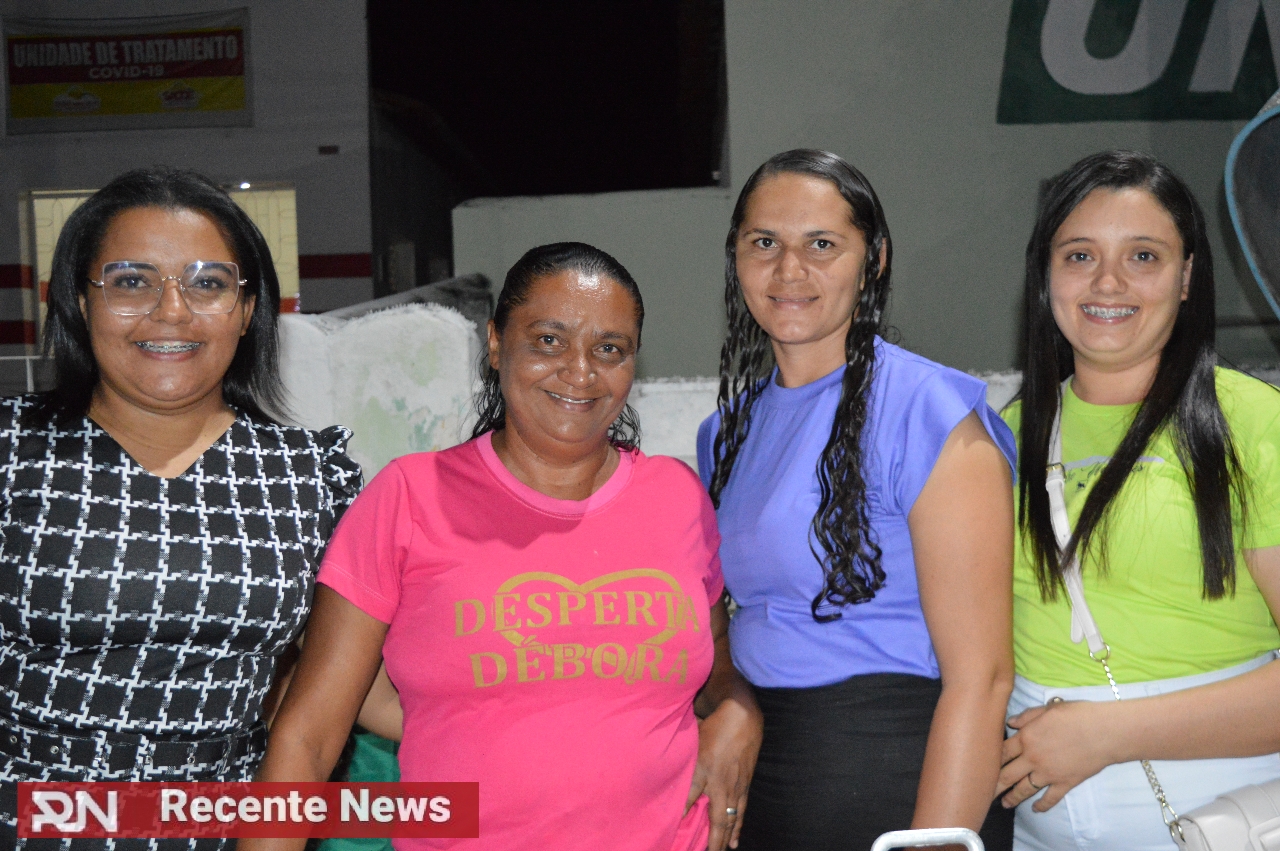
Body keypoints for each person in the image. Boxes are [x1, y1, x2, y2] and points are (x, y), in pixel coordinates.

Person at [249, 242, 762, 851]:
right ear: (495, 343)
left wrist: (739, 710)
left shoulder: (676, 497)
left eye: (610, 349)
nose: (580, 371)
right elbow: (308, 736)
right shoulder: (410, 497)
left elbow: (715, 662)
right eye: (548, 340)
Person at [0, 167, 361, 846]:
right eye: (131, 281)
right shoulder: (13, 450)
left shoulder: (311, 474)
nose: (171, 310)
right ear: (79, 300)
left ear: (247, 309)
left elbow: (360, 680)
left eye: (208, 283)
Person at [697, 149, 1016, 850]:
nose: (789, 270)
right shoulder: (724, 432)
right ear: (736, 258)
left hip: (899, 773)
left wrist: (932, 844)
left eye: (822, 244)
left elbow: (984, 677)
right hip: (765, 780)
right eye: (764, 243)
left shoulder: (931, 411)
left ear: (873, 261)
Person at [997, 150, 1280, 850]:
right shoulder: (1005, 435)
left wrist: (1107, 733)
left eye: (1144, 256)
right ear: (1045, 275)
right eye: (1079, 255)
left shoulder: (1252, 422)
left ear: (1186, 278)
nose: (1108, 282)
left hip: (1225, 824)